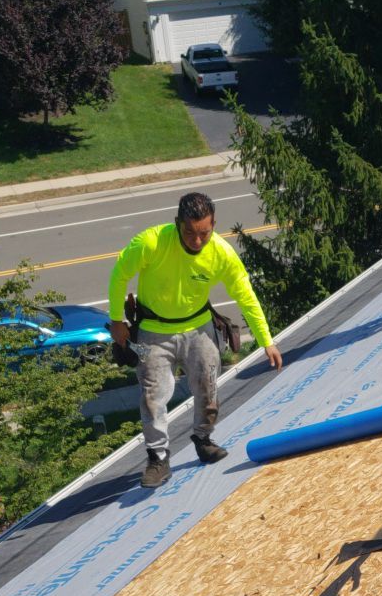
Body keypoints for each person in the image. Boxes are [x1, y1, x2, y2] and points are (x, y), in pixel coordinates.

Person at [108, 191, 283, 488]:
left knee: (208, 387)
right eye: (189, 232)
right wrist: (117, 321)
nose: (197, 241)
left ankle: (203, 439)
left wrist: (266, 340)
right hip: (154, 329)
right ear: (177, 223)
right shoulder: (151, 242)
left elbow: (245, 295)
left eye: (204, 232)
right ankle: (158, 458)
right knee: (154, 396)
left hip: (198, 327)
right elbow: (119, 275)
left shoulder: (221, 253)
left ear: (214, 224)